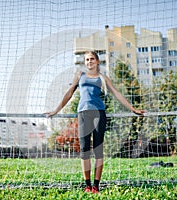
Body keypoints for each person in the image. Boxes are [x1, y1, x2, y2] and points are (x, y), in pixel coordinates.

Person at [46, 51, 145, 193]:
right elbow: (69, 93)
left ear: (97, 61)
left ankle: (96, 186)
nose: (89, 61)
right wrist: (56, 110)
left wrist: (132, 108)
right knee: (84, 150)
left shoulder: (102, 77)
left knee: (98, 151)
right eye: (87, 59)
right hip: (83, 114)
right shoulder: (80, 75)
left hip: (99, 114)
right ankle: (87, 185)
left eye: (92, 59)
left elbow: (117, 94)